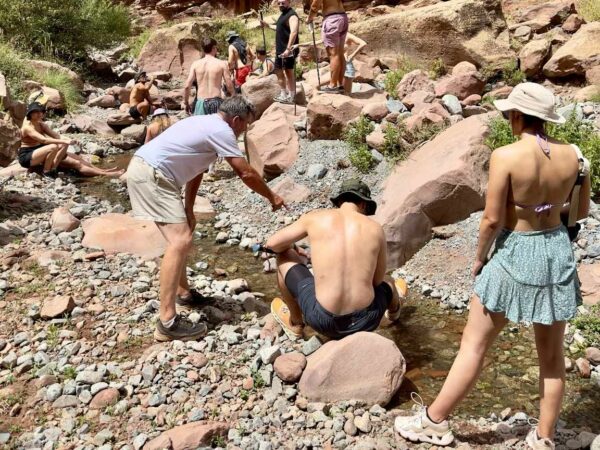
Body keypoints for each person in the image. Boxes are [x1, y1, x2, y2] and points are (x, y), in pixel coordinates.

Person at [393, 83, 590, 450]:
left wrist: (480, 258)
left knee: (475, 345)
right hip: (555, 252)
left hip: (514, 252)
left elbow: (491, 219)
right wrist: (547, 209)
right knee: (551, 355)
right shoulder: (575, 156)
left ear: (517, 116)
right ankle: (544, 437)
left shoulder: (505, 156)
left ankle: (435, 422)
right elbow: (579, 213)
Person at [126, 96, 286, 342]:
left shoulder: (204, 123)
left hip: (149, 170)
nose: (245, 131)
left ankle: (183, 293)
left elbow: (197, 169)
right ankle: (167, 321)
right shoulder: (222, 131)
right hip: (153, 175)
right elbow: (245, 172)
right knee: (179, 241)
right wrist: (272, 196)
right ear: (235, 120)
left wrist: (189, 208)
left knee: (182, 237)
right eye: (245, 125)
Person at [264, 179, 403, 340]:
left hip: (321, 320)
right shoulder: (375, 228)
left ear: (340, 201)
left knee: (284, 255)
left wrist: (293, 248)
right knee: (388, 282)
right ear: (364, 205)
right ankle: (393, 316)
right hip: (366, 321)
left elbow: (272, 244)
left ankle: (296, 324)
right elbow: (377, 281)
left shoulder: (315, 218)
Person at [19, 102, 124, 178]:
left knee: (78, 159)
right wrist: (64, 142)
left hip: (42, 152)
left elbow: (57, 136)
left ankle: (103, 170)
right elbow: (44, 140)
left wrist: (70, 139)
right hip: (28, 156)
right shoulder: (28, 127)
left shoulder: (41, 124)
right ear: (30, 114)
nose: (39, 114)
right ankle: (47, 171)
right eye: (36, 112)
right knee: (75, 162)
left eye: (41, 112)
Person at [293, 32, 366, 94]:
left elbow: (363, 43)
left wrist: (352, 56)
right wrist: (298, 45)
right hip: (336, 67)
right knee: (315, 85)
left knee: (345, 94)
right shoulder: (331, 36)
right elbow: (313, 43)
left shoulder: (347, 35)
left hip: (346, 67)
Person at [260, 0, 299, 104]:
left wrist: (288, 49)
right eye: (279, 3)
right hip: (280, 49)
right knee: (279, 71)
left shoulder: (292, 15)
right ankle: (283, 94)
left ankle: (291, 96)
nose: (281, 5)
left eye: (283, 3)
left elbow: (294, 32)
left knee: (288, 72)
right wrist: (267, 25)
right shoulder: (283, 15)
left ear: (289, 2)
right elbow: (279, 28)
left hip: (287, 49)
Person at [184, 38, 234, 116]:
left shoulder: (195, 64)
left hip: (201, 103)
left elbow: (187, 86)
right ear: (214, 48)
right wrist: (234, 97)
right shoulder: (221, 64)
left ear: (203, 49)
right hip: (217, 102)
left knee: (202, 127)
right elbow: (229, 85)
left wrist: (186, 103)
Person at [307, 0, 348, 93]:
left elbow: (314, 6)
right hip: (343, 17)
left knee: (333, 54)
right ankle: (340, 84)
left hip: (332, 20)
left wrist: (309, 19)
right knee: (339, 53)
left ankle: (333, 85)